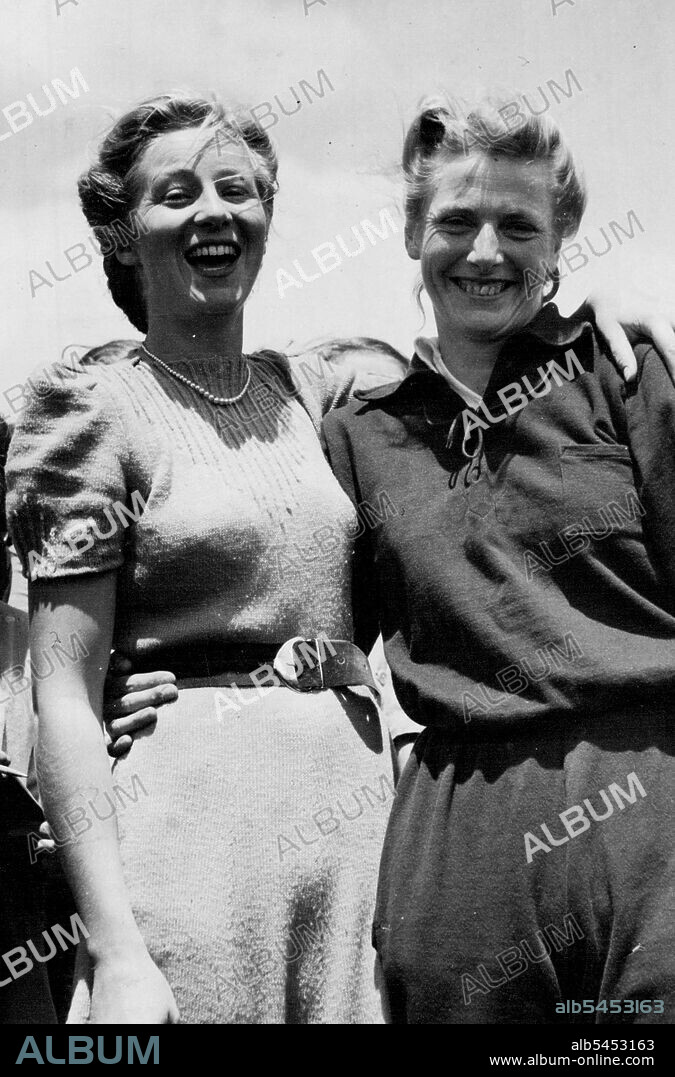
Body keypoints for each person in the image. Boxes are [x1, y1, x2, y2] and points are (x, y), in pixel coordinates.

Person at [5, 93, 413, 1025]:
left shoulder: (315, 392)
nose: (214, 212)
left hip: (351, 827)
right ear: (124, 237)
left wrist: (601, 323)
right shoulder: (92, 413)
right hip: (187, 830)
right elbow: (64, 693)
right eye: (177, 193)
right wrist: (113, 950)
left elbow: (480, 351)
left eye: (238, 189)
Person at [320, 94, 675, 1023]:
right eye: (454, 221)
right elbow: (319, 633)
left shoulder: (622, 371)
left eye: (518, 225)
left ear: (559, 243)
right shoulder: (359, 432)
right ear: (410, 233)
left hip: (649, 796)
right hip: (457, 816)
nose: (485, 252)